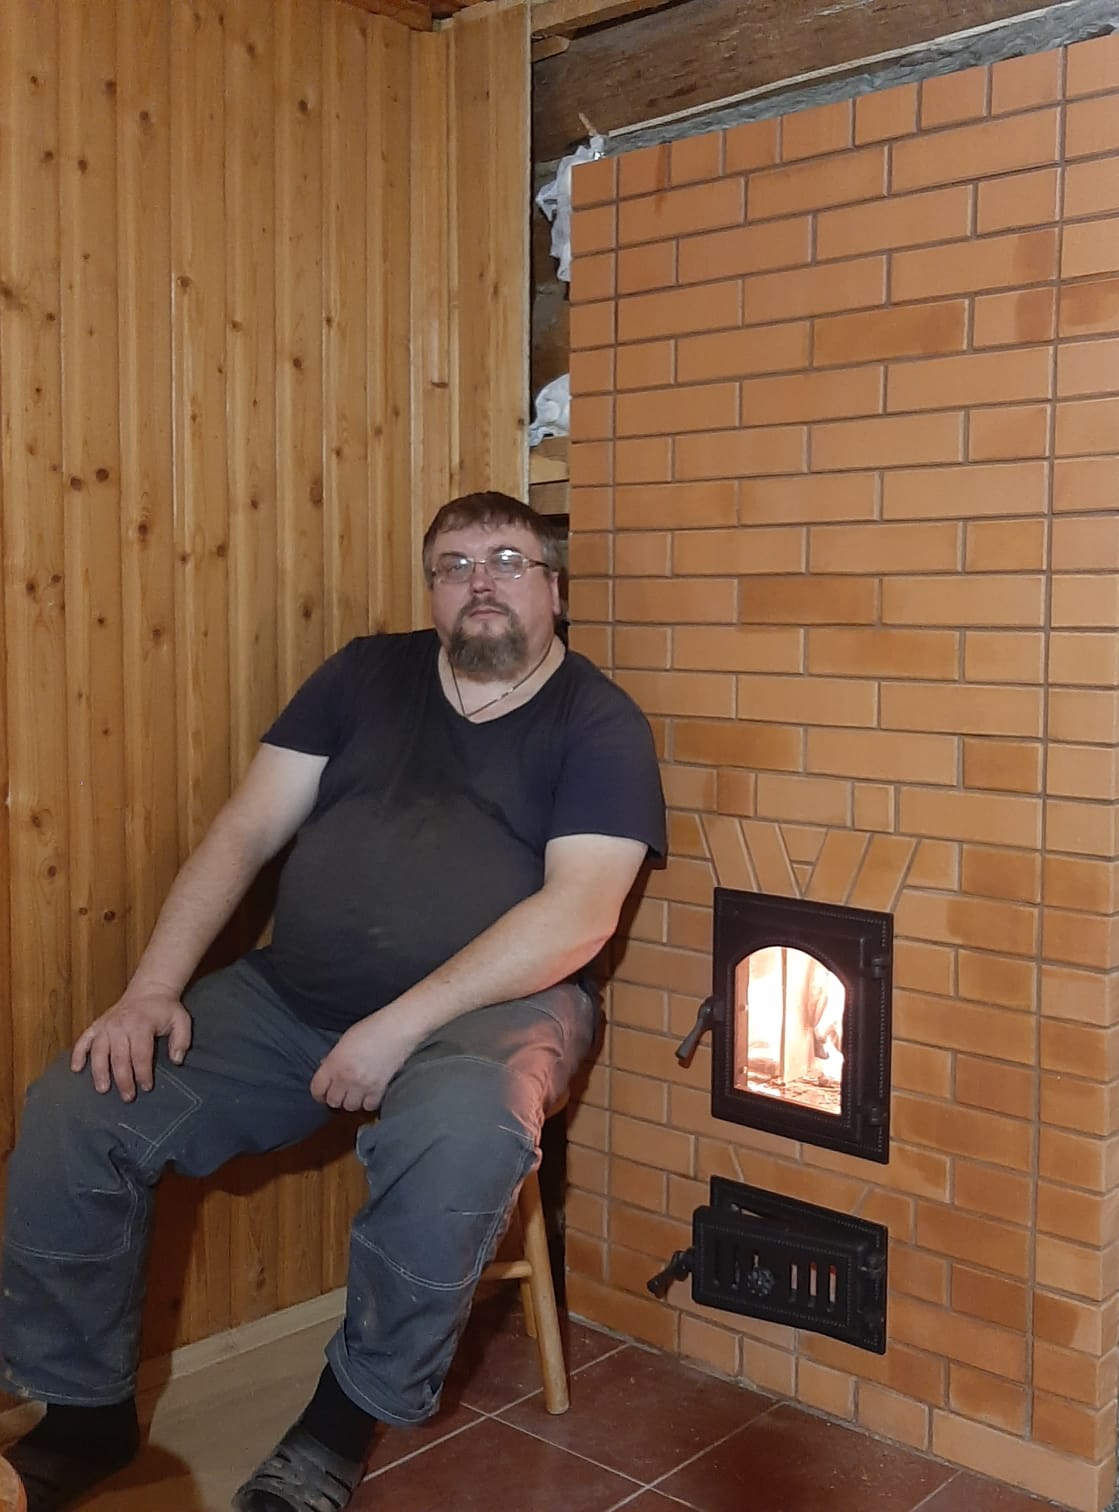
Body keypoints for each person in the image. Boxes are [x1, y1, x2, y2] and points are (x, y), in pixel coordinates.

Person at [0, 492, 666, 1512]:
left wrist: (397, 1027)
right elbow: (244, 831)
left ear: (555, 590)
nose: (480, 582)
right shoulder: (362, 675)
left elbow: (577, 914)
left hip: (493, 1014)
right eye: (453, 566)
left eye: (507, 560)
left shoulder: (599, 720)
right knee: (80, 1104)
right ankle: (83, 1412)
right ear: (432, 592)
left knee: (463, 1133)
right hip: (296, 998)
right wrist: (151, 989)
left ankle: (334, 1430)